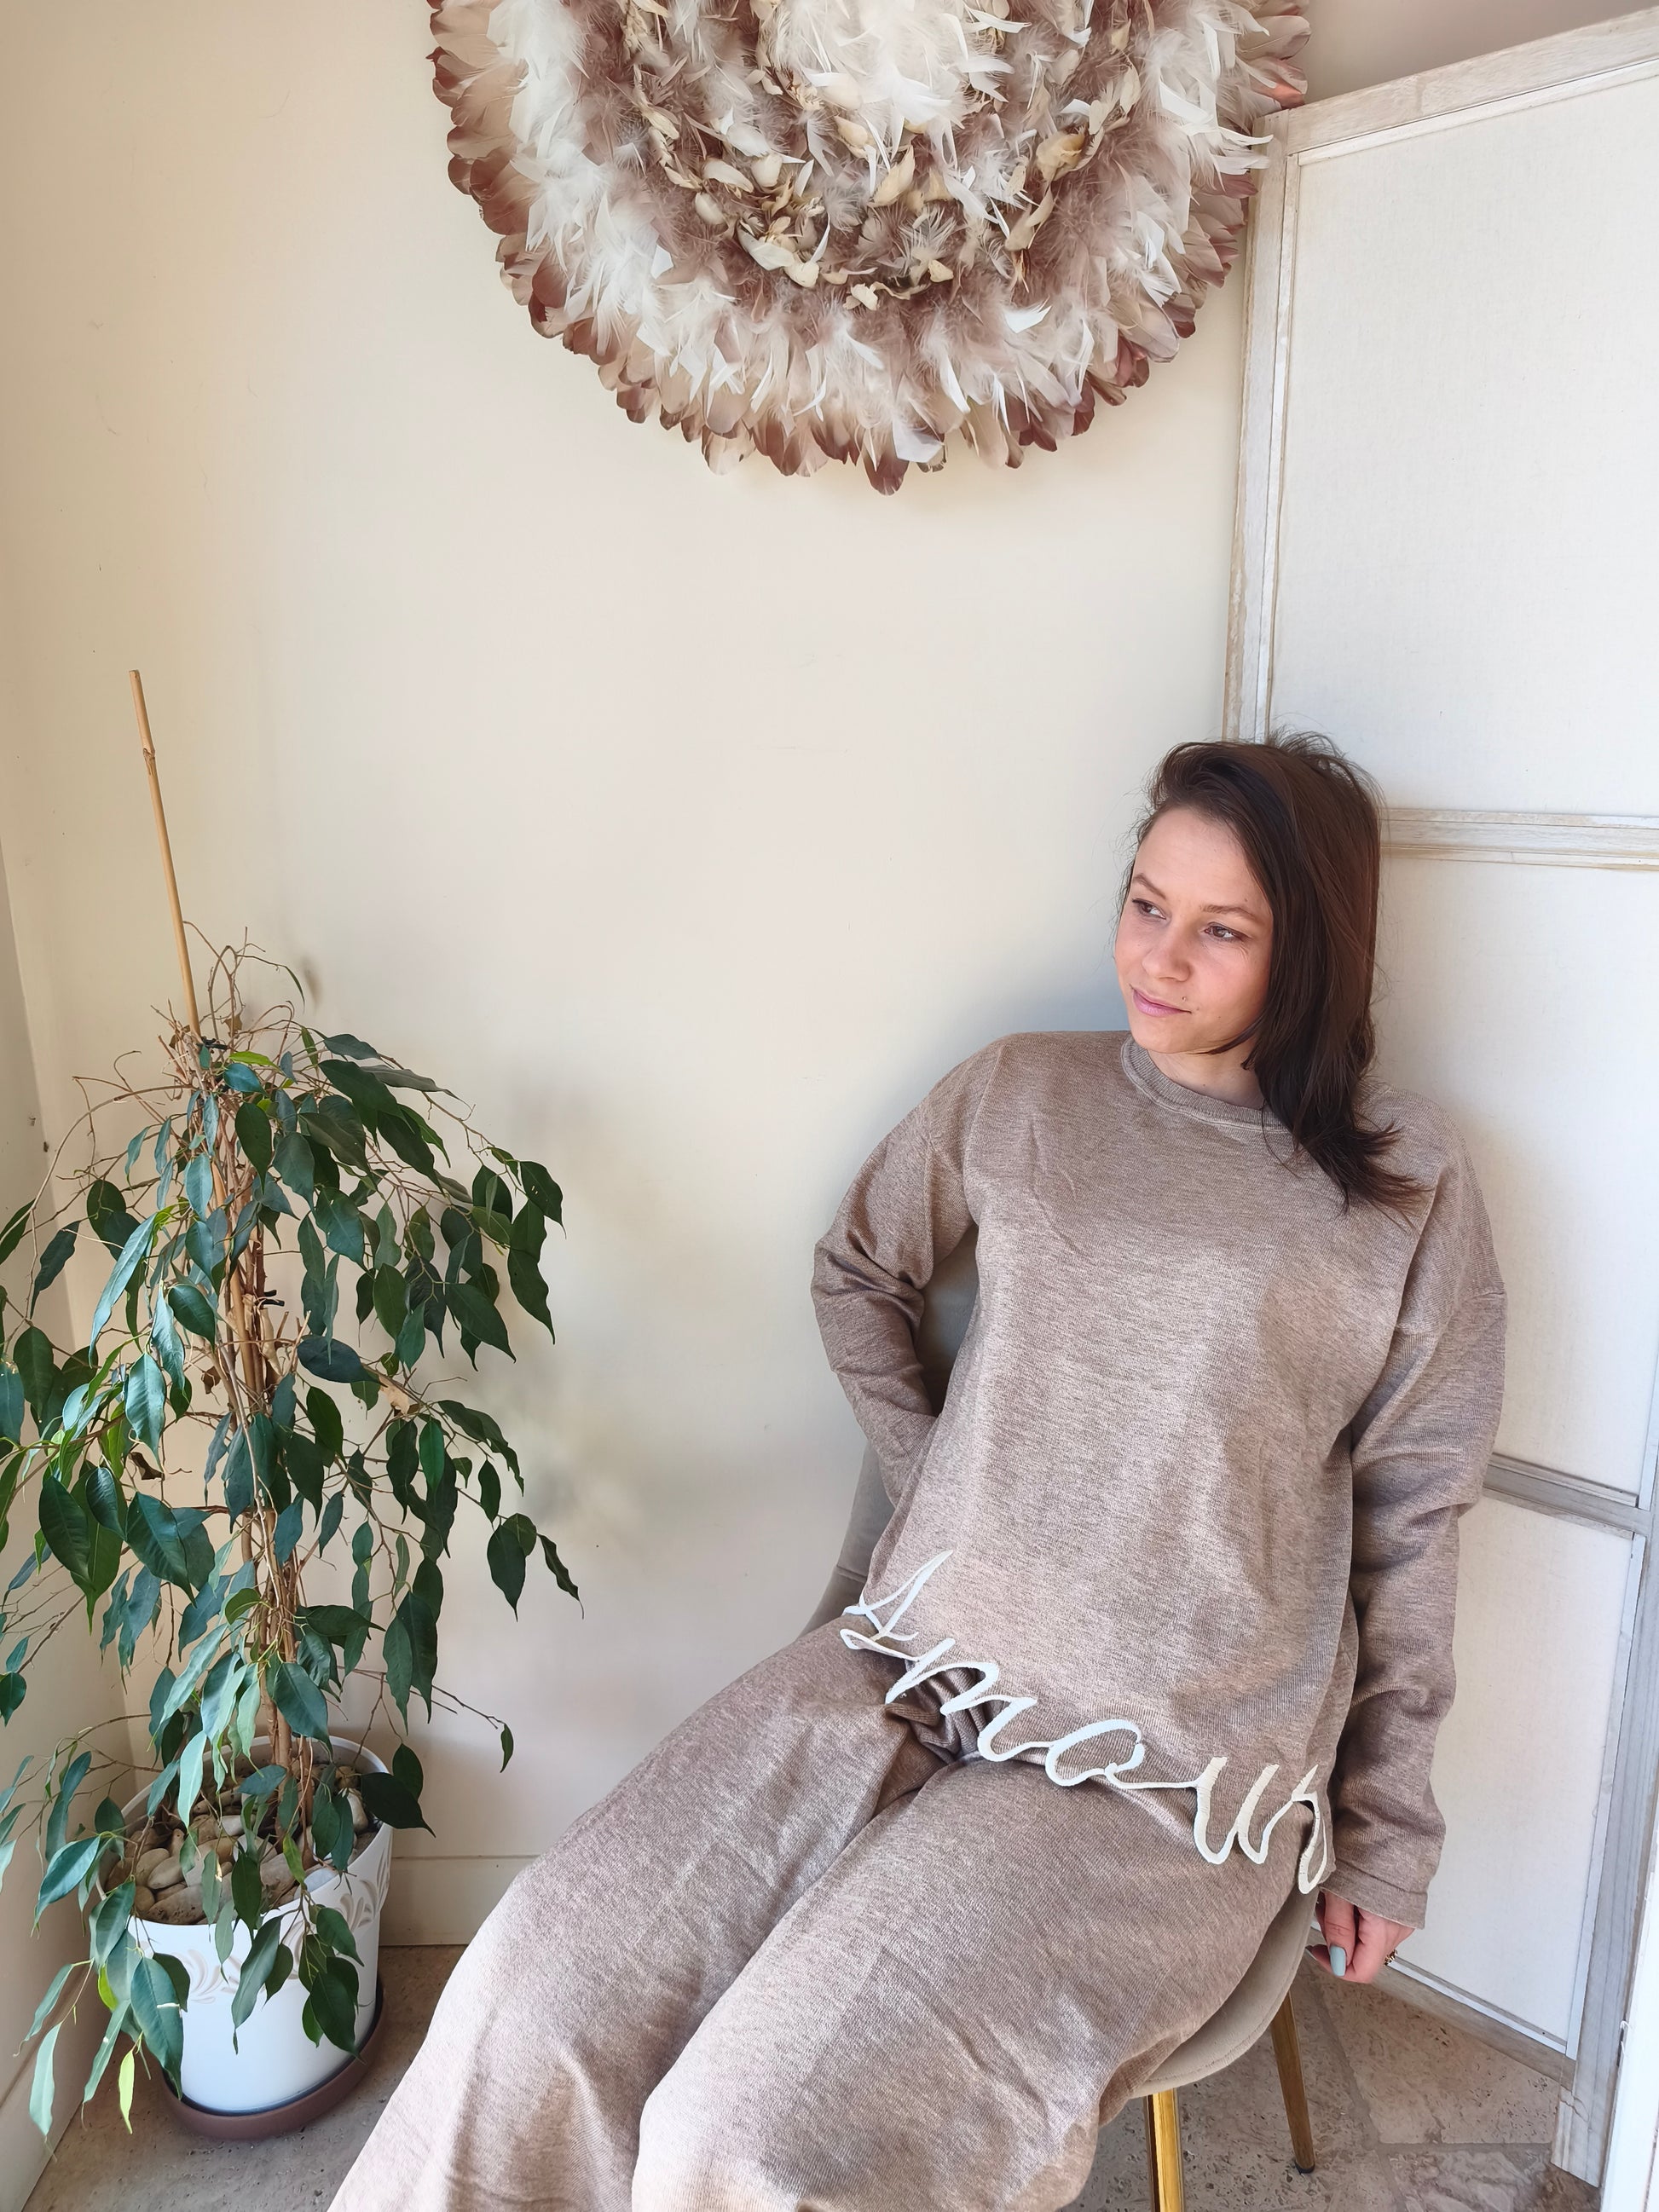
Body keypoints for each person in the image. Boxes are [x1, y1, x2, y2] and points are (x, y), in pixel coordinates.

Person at [331, 732, 1506, 2212]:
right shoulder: (1023, 1091)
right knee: (532, 2000)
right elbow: (858, 1269)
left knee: (749, 2140)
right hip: (907, 1664)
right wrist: (948, 1475)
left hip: (1165, 1762)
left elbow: (1413, 1515)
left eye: (1223, 930)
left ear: (1313, 950)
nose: (1159, 958)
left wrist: (1387, 1841)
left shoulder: (1401, 1182)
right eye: (1145, 903)